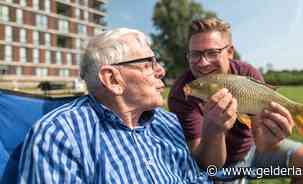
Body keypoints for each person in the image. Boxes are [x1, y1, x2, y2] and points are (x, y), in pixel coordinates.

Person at [17, 28, 212, 183]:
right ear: (112, 79)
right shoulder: (60, 136)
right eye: (149, 63)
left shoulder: (168, 122)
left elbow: (196, 178)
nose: (161, 70)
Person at [168, 17, 303, 183]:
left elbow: (261, 143)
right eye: (195, 54)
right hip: (219, 168)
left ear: (230, 52)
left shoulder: (246, 72)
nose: (203, 63)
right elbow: (207, 164)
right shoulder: (183, 93)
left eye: (212, 53)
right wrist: (215, 130)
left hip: (253, 151)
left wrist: (270, 138)